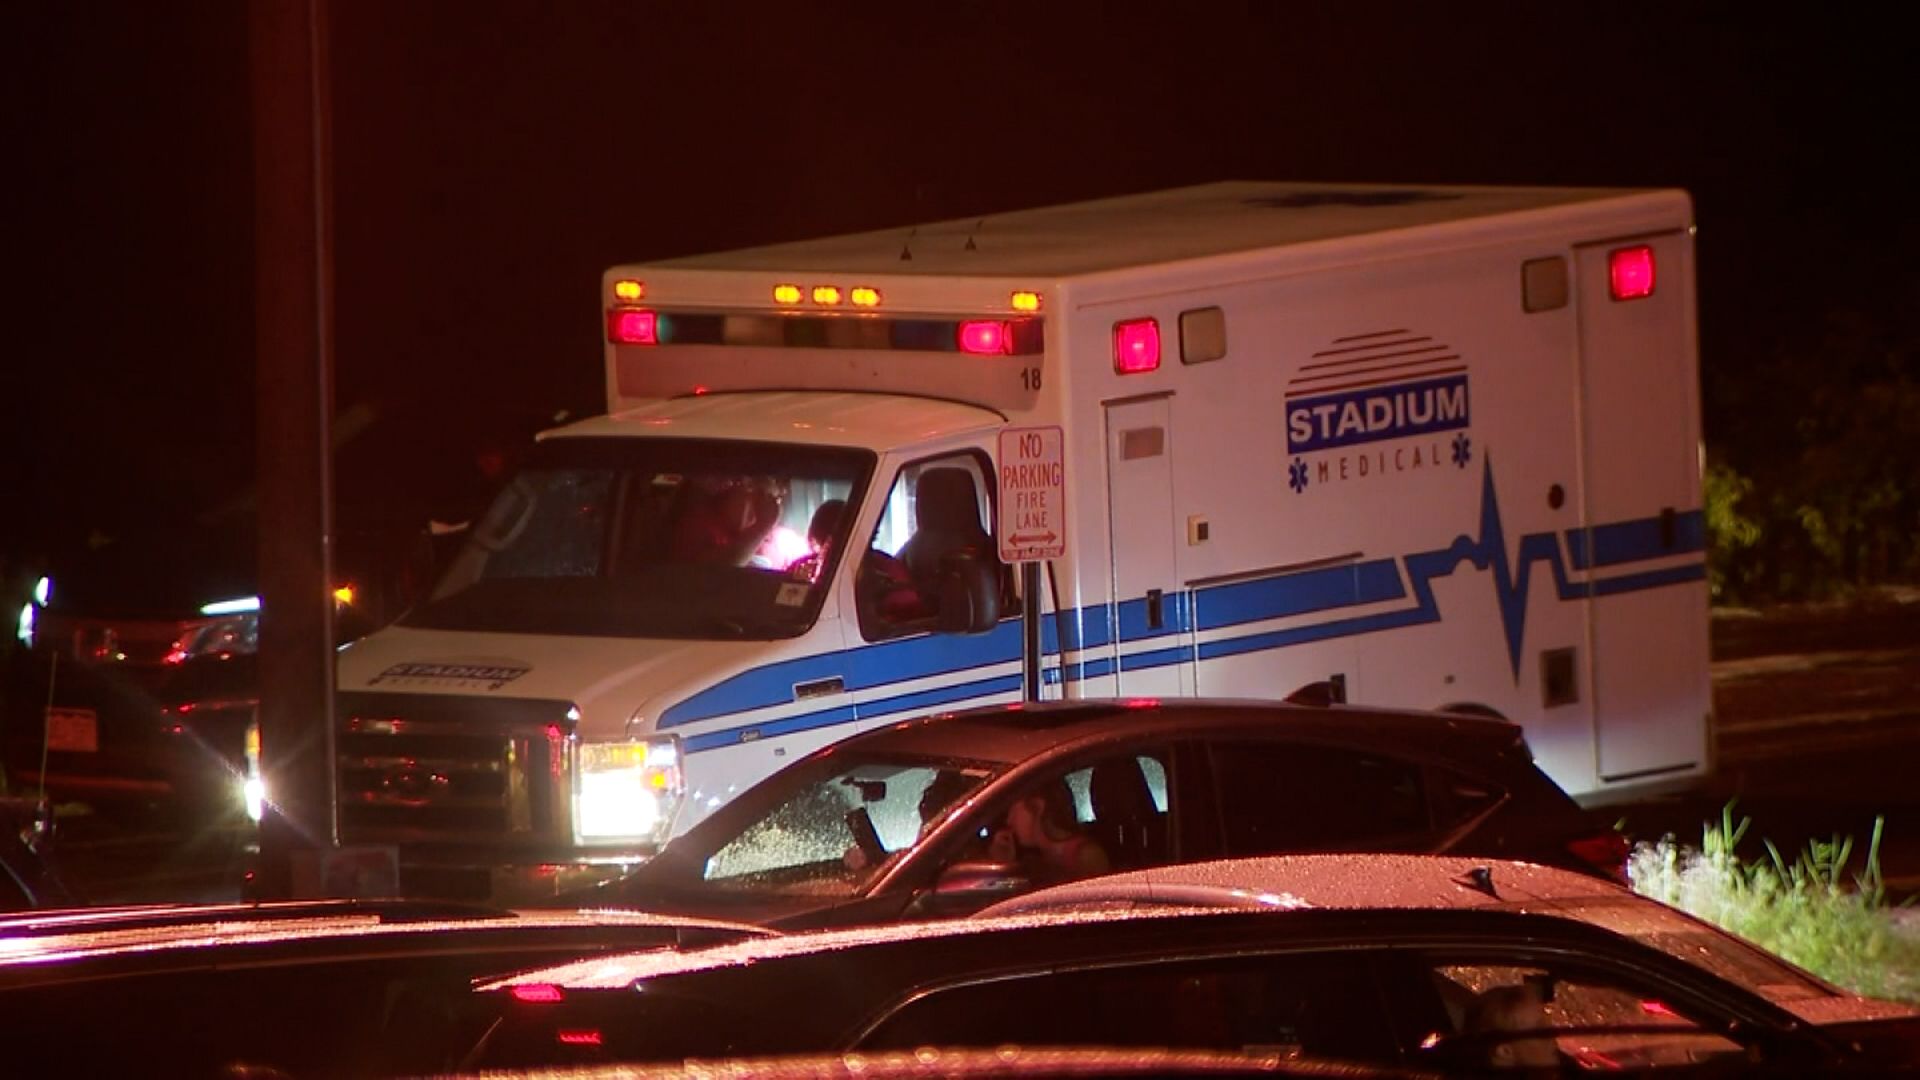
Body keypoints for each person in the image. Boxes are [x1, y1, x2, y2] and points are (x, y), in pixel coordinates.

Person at [989, 779, 1110, 886]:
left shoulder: (1086, 855)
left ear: (1038, 807)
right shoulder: (1038, 857)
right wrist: (1005, 864)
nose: (1009, 820)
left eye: (1014, 810)